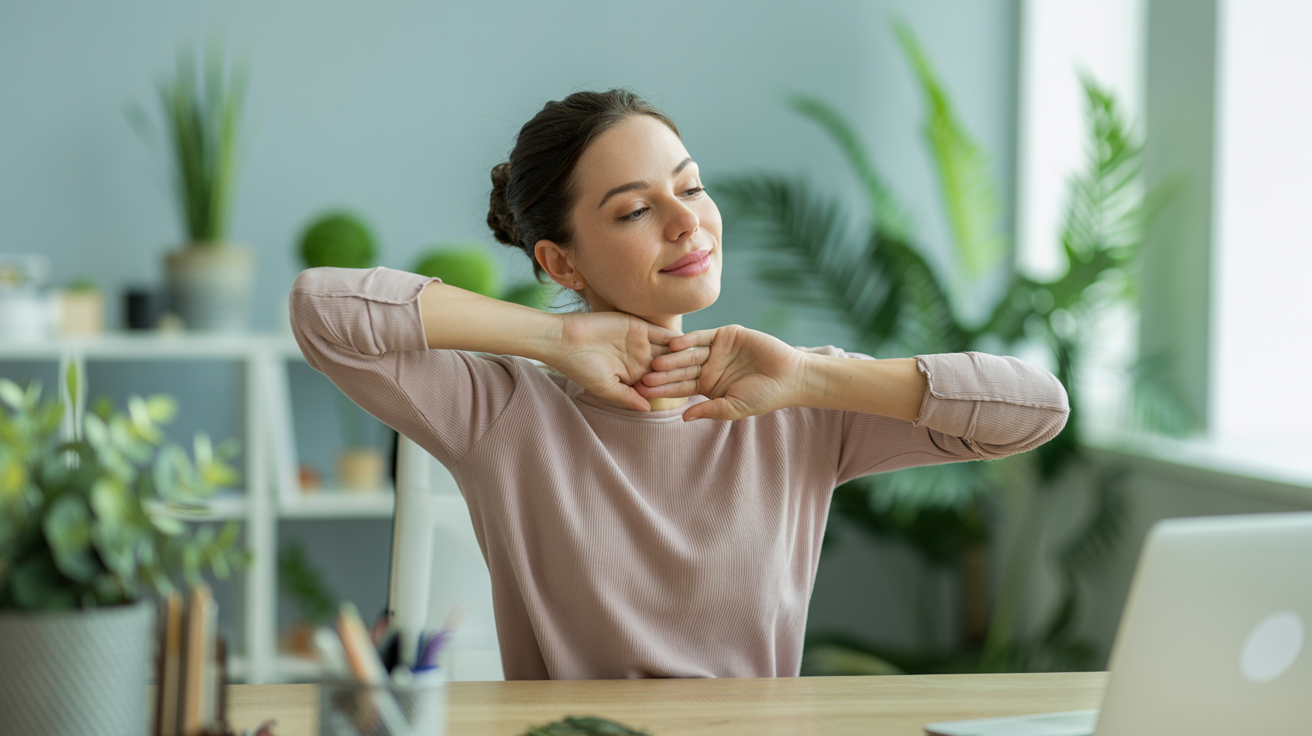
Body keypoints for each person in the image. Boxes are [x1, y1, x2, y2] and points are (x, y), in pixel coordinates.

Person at [289, 89, 1069, 680]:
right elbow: (321, 309)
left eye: (690, 188)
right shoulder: (505, 412)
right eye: (634, 211)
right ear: (560, 263)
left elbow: (1036, 410)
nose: (686, 222)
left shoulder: (794, 399)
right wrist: (555, 338)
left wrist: (810, 375)